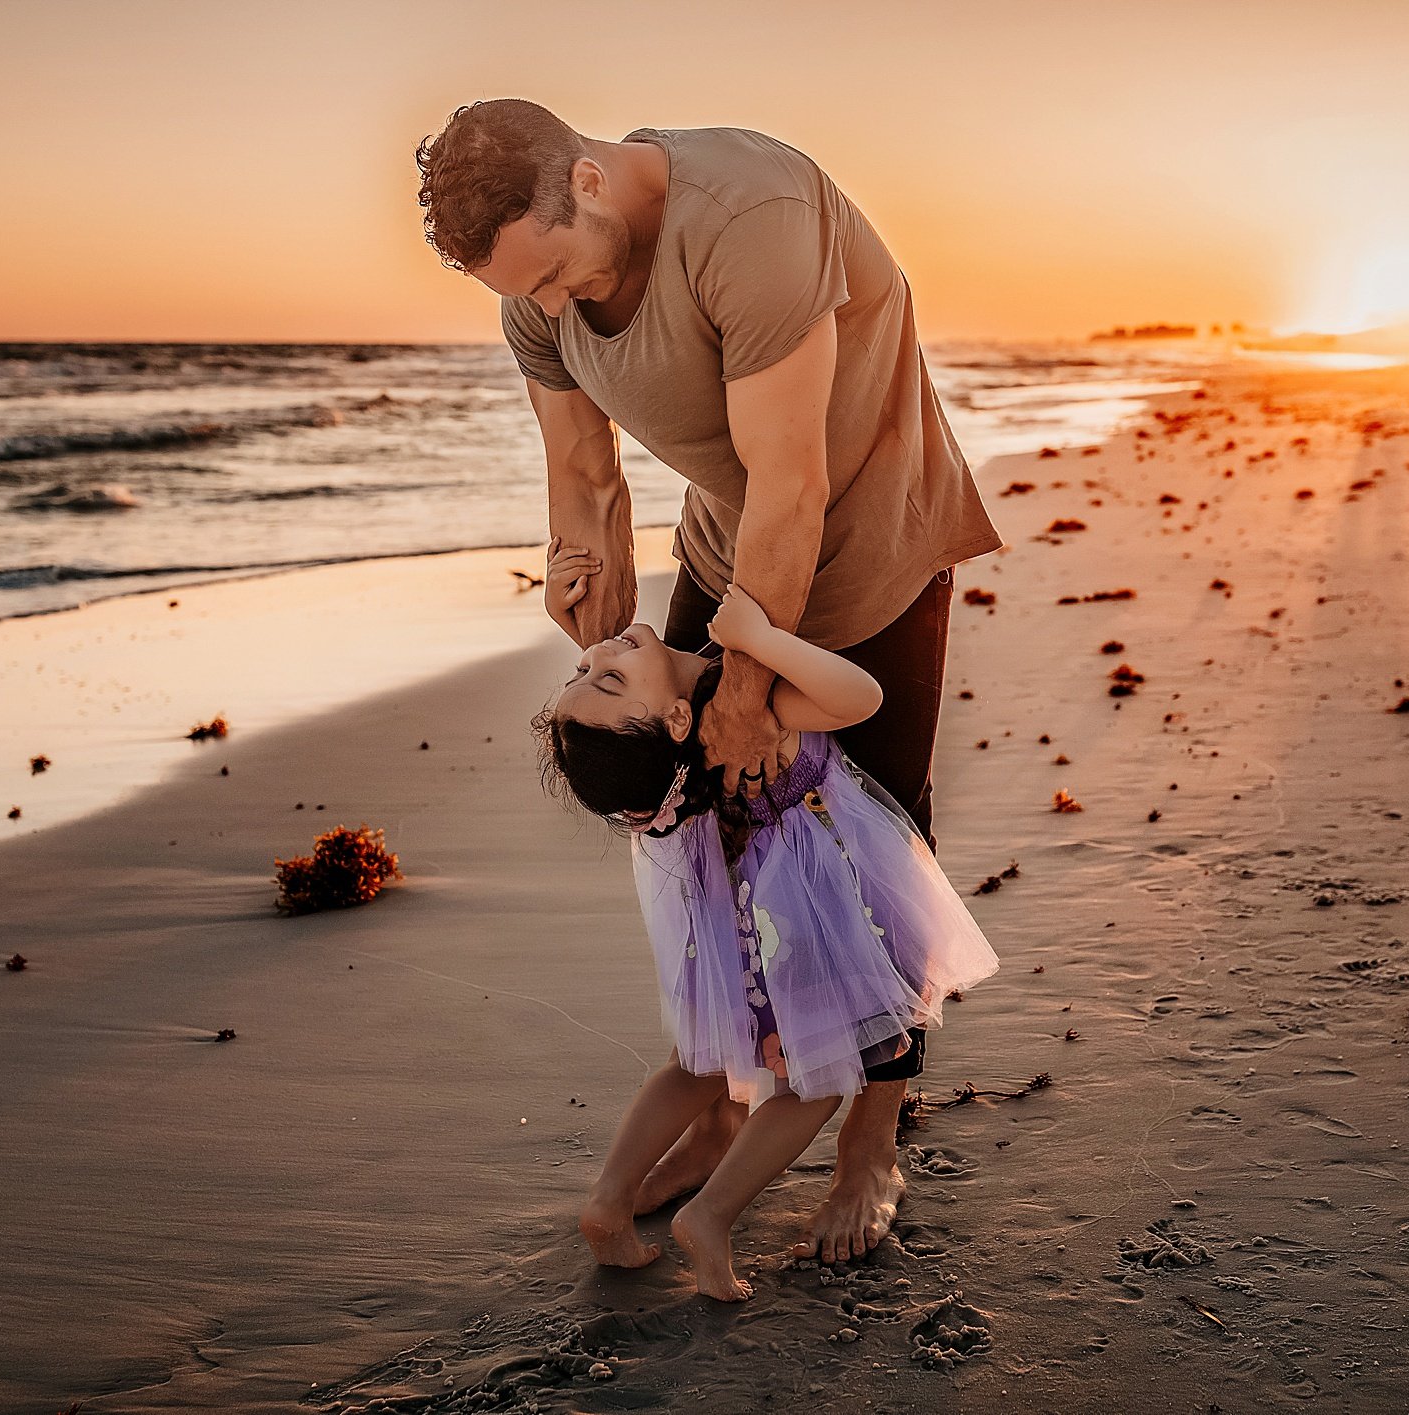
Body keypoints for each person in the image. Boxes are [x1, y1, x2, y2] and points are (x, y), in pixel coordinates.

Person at [416, 98, 1003, 1260]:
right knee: (710, 830)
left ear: (585, 180)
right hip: (732, 547)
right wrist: (576, 578)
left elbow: (795, 482)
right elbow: (580, 474)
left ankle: (867, 1132)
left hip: (871, 538)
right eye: (517, 292)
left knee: (872, 845)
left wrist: (744, 690)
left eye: (552, 276)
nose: (543, 307)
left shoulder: (750, 216)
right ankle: (736, 1092)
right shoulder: (536, 288)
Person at [530, 569, 998, 1300]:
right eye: (604, 677)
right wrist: (760, 638)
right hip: (807, 917)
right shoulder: (745, 698)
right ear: (678, 723)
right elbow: (861, 699)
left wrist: (602, 656)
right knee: (820, 1079)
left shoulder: (672, 768)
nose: (596, 653)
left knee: (697, 1064)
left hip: (728, 927)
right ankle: (710, 1215)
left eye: (586, 670)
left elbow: (626, 722)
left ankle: (608, 1200)